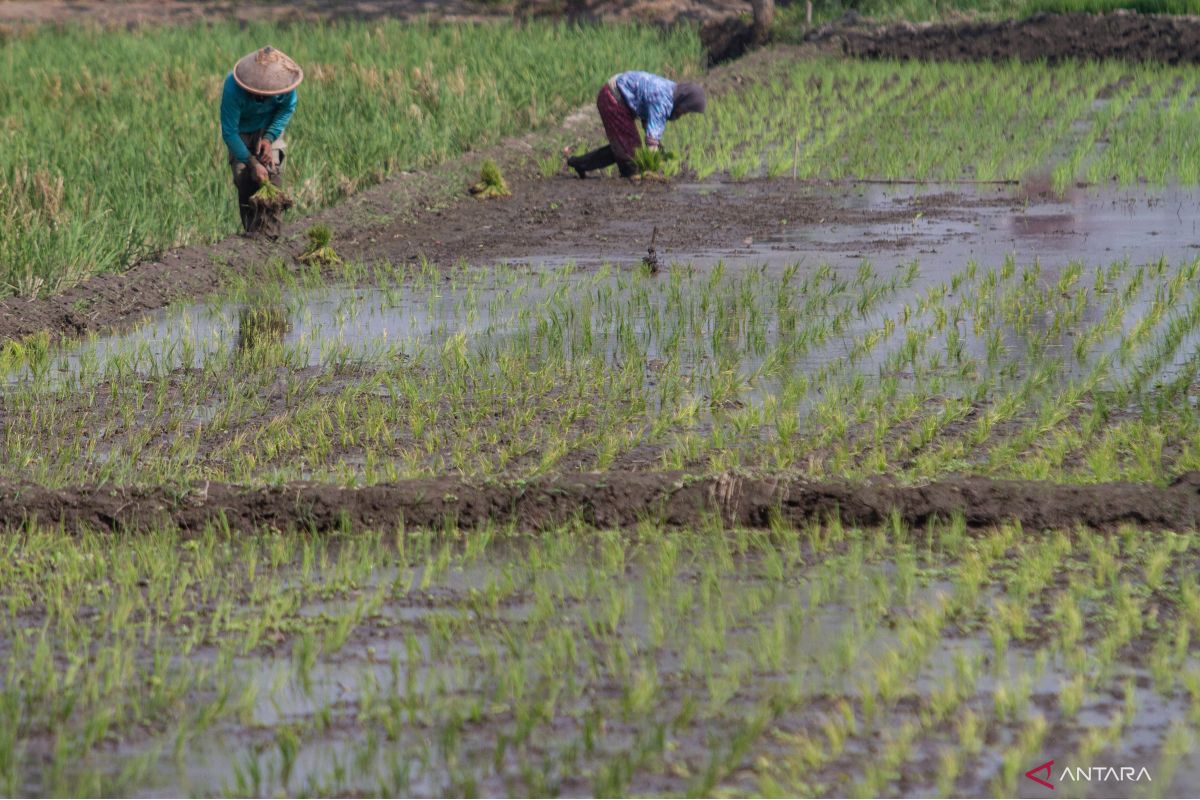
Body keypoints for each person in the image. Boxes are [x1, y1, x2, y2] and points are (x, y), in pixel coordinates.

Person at [220, 46, 303, 238]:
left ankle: (272, 233)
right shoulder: (233, 87)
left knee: (272, 175)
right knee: (245, 178)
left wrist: (269, 137)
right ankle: (253, 234)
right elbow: (229, 132)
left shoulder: (284, 86)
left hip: (268, 127)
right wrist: (252, 162)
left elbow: (286, 110)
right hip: (241, 132)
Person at [568, 71, 706, 179]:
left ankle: (580, 163)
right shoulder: (663, 100)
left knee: (625, 147)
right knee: (632, 158)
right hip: (612, 97)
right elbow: (651, 139)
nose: (684, 114)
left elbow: (648, 121)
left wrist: (655, 149)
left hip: (618, 96)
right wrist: (652, 169)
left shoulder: (670, 93)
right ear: (682, 101)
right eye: (686, 109)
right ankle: (629, 176)